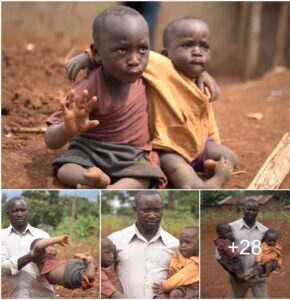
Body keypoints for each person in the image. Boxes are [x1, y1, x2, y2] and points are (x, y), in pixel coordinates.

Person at [66, 14, 238, 189]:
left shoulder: (202, 85)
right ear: (165, 54)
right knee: (182, 177)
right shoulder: (162, 68)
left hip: (199, 145)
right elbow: (122, 53)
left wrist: (202, 73)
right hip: (168, 148)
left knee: (231, 157)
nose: (197, 52)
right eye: (187, 45)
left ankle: (207, 164)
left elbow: (207, 121)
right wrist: (88, 57)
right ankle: (214, 182)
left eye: (205, 47)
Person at [45, 6, 166, 189]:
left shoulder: (150, 73)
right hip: (89, 150)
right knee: (66, 170)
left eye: (142, 49)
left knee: (143, 177)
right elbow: (50, 140)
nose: (135, 60)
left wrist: (202, 75)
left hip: (132, 154)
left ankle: (108, 189)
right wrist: (66, 129)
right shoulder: (87, 89)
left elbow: (179, 69)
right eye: (122, 50)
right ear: (98, 53)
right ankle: (94, 178)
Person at [108, 191, 179, 298]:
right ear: (135, 210)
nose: (152, 215)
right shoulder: (115, 240)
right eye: (146, 210)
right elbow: (105, 276)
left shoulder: (175, 245)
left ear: (162, 210)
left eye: (157, 210)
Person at [1, 197, 54, 298]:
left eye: (23, 210)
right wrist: (29, 257)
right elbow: (3, 267)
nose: (20, 214)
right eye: (15, 211)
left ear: (28, 212)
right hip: (17, 296)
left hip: (44, 295)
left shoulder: (43, 235)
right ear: (8, 213)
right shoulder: (1, 237)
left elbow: (51, 266)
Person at [216, 199, 269, 298]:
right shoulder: (230, 228)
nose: (251, 212)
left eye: (254, 210)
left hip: (257, 276)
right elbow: (220, 254)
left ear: (258, 211)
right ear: (243, 209)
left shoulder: (264, 230)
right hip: (238, 277)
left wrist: (264, 268)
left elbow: (267, 251)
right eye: (248, 209)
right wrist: (233, 273)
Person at [30, 235, 96, 290]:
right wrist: (58, 239)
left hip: (70, 273)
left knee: (82, 267)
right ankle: (89, 263)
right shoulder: (40, 259)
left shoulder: (53, 259)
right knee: (87, 274)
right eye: (50, 246)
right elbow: (38, 245)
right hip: (69, 274)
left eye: (53, 246)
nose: (53, 247)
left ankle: (88, 263)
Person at [152, 226, 199, 299]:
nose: (183, 245)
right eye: (181, 242)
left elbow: (183, 275)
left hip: (190, 287)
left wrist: (165, 285)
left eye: (187, 242)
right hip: (175, 285)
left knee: (175, 294)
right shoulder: (181, 256)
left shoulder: (196, 263)